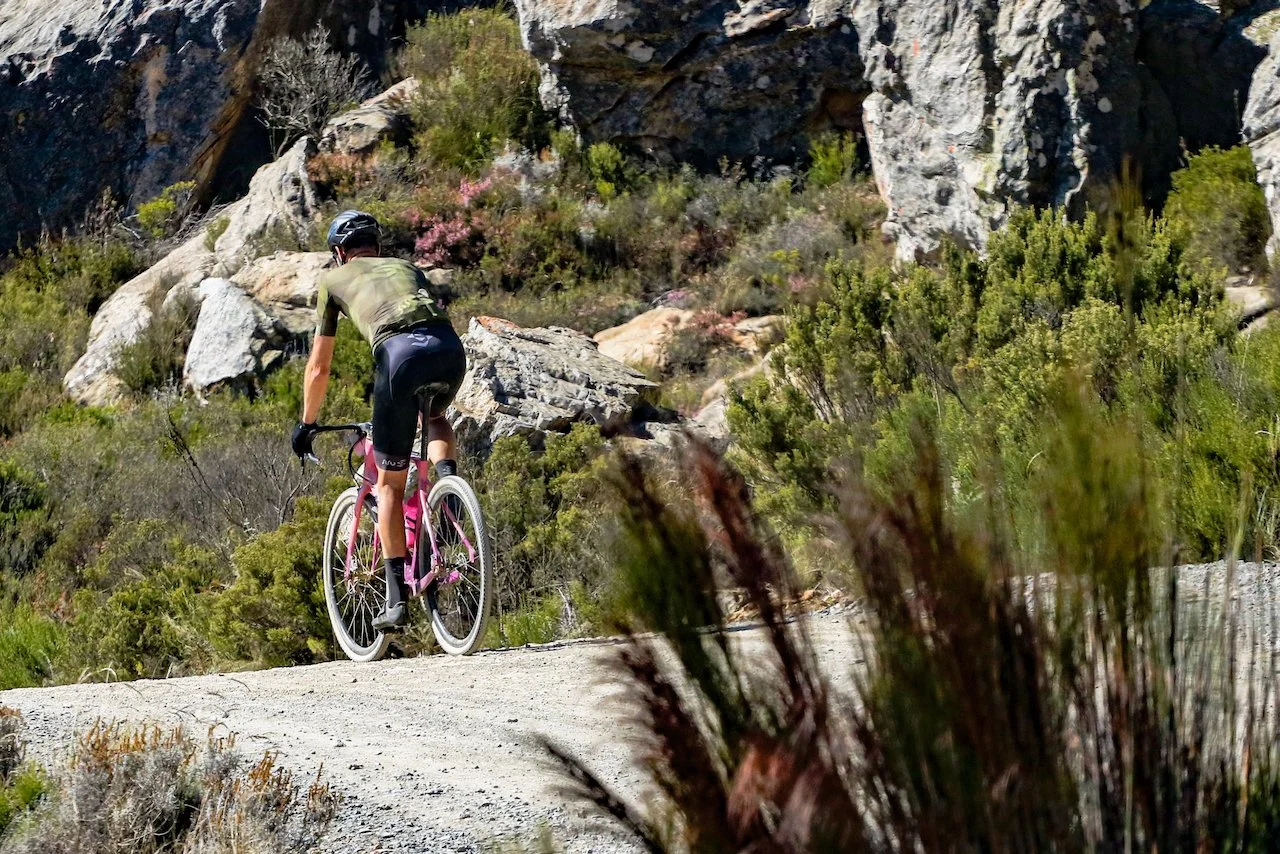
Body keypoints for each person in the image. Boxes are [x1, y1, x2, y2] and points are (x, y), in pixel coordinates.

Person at [291, 210, 467, 632]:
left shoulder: (332, 281)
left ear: (338, 253)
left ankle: (396, 602)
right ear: (377, 247)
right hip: (448, 348)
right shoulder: (407, 267)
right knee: (436, 414)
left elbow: (319, 367)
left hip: (398, 356)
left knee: (389, 484)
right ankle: (448, 492)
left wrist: (307, 423)